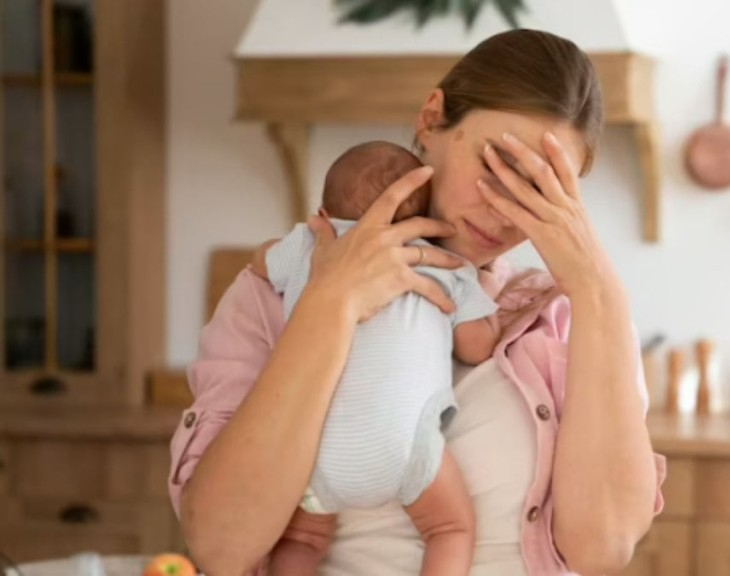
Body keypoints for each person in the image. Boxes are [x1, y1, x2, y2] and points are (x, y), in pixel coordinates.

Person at [169, 28, 667, 576]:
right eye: (495, 166)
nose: (504, 212)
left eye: (539, 190)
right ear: (432, 119)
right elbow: (221, 547)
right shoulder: (274, 297)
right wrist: (329, 305)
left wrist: (599, 291)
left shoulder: (565, 321)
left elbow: (603, 550)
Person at [260, 140, 499, 575]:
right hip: (404, 447)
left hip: (313, 448)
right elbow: (477, 346)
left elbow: (261, 264)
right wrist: (484, 295)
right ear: (426, 222)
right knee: (450, 529)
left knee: (301, 538)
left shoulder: (314, 246)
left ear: (324, 213)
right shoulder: (445, 264)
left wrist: (305, 239)